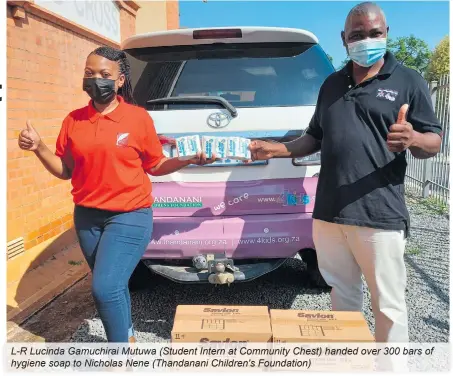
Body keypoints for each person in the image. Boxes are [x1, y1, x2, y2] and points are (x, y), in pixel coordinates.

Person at [249, 2, 442, 343]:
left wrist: (411, 137)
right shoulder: (331, 84)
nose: (366, 40)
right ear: (343, 39)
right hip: (329, 214)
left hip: (379, 214)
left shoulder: (408, 80)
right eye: (357, 35)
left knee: (389, 305)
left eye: (374, 34)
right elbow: (314, 138)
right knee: (342, 298)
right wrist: (275, 149)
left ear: (386, 34)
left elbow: (434, 141)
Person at [17, 46, 217, 343]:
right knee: (114, 284)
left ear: (120, 80)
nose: (95, 79)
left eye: (104, 74)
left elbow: (156, 164)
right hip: (87, 217)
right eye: (89, 73)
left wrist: (187, 159)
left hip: (130, 215)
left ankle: (120, 355)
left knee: (104, 287)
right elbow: (65, 169)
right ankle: (127, 338)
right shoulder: (74, 120)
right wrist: (39, 148)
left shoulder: (137, 119)